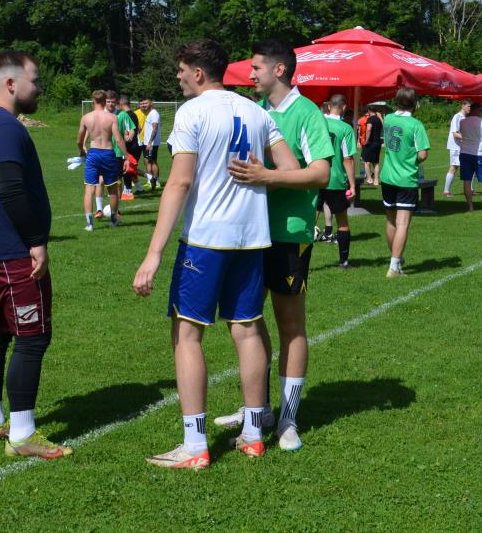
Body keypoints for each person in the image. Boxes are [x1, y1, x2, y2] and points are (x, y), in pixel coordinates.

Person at [132, 39, 302, 469]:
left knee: (187, 335)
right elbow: (290, 169)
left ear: (198, 72)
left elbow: (179, 182)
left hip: (206, 241)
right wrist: (260, 177)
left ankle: (195, 446)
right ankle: (253, 435)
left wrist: (153, 254)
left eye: (181, 70)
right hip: (252, 239)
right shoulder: (257, 112)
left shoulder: (192, 112)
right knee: (248, 330)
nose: (177, 77)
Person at [215, 39, 332, 453]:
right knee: (246, 320)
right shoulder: (257, 112)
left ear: (279, 69)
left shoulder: (307, 113)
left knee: (290, 324)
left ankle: (288, 418)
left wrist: (267, 177)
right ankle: (258, 409)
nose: (250, 74)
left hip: (288, 233)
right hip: (249, 232)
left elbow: (320, 173)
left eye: (256, 68)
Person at [0, 50, 69, 459]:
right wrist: (35, 240)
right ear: (10, 83)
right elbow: (10, 188)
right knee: (32, 337)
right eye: (34, 80)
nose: (39, 88)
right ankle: (22, 436)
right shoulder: (4, 128)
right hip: (10, 253)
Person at [380, 87, 430, 277]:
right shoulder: (416, 125)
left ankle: (396, 259)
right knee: (402, 223)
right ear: (415, 103)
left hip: (387, 176)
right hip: (406, 178)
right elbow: (422, 154)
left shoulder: (388, 119)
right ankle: (394, 267)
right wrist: (412, 160)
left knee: (390, 220)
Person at [77, 90, 127, 231]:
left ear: (93, 101)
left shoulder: (86, 117)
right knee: (112, 189)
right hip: (108, 153)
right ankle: (113, 220)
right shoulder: (112, 117)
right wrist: (127, 157)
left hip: (93, 153)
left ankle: (89, 224)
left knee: (89, 189)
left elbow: (79, 140)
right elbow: (118, 139)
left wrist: (82, 150)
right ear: (105, 101)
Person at [318, 95, 357, 267]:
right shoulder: (345, 128)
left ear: (328, 106)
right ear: (344, 107)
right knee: (342, 221)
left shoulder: (318, 123)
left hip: (314, 177)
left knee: (309, 221)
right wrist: (353, 185)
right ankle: (344, 261)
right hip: (335, 179)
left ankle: (300, 263)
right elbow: (348, 158)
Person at [456, 102, 482, 212]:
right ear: (476, 110)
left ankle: (470, 207)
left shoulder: (462, 121)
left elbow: (462, 134)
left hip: (465, 153)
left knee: (467, 180)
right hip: (479, 154)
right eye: (481, 110)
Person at [444, 100, 471, 197]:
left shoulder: (465, 117)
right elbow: (455, 134)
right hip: (455, 146)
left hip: (462, 146)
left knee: (468, 166)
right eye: (469, 106)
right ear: (463, 106)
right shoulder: (457, 117)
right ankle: (446, 191)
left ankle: (470, 190)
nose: (470, 108)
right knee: (454, 167)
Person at [117, 95, 143, 196]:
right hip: (136, 145)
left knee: (126, 168)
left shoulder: (125, 115)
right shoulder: (134, 114)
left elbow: (128, 131)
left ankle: (128, 191)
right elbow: (139, 128)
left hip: (130, 145)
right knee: (131, 168)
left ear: (121, 104)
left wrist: (126, 138)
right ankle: (140, 188)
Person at [139, 98, 162, 191]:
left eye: (146, 103)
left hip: (151, 143)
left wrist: (150, 142)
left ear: (151, 103)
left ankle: (157, 182)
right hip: (148, 143)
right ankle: (151, 180)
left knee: (152, 162)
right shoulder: (150, 113)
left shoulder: (154, 114)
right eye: (142, 103)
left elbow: (155, 128)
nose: (144, 105)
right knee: (149, 161)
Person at [361, 106, 384, 186]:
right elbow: (384, 126)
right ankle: (376, 180)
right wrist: (380, 117)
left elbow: (369, 129)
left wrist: (367, 141)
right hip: (378, 143)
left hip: (370, 143)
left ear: (369, 110)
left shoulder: (370, 119)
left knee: (366, 162)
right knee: (376, 162)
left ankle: (370, 179)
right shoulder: (378, 119)